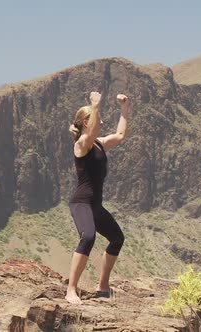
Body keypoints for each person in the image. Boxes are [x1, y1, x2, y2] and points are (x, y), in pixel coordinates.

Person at [65, 91, 131, 305]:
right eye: (97, 117)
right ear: (86, 121)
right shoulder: (82, 144)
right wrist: (94, 105)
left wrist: (124, 109)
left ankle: (103, 286)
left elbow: (120, 136)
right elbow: (90, 133)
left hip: (95, 205)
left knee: (117, 238)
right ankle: (71, 290)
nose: (102, 121)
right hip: (81, 202)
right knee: (88, 237)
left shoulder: (99, 143)